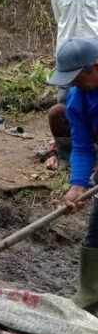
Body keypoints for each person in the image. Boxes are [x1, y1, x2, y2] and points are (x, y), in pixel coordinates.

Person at [48, 37, 98, 309]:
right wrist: (77, 186)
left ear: (95, 67)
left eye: (77, 77)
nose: (74, 83)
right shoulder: (77, 99)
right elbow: (81, 146)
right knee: (96, 228)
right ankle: (90, 289)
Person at [46, 0, 98, 170]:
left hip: (93, 55)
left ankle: (89, 149)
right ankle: (66, 153)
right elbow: (59, 16)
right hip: (67, 54)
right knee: (63, 102)